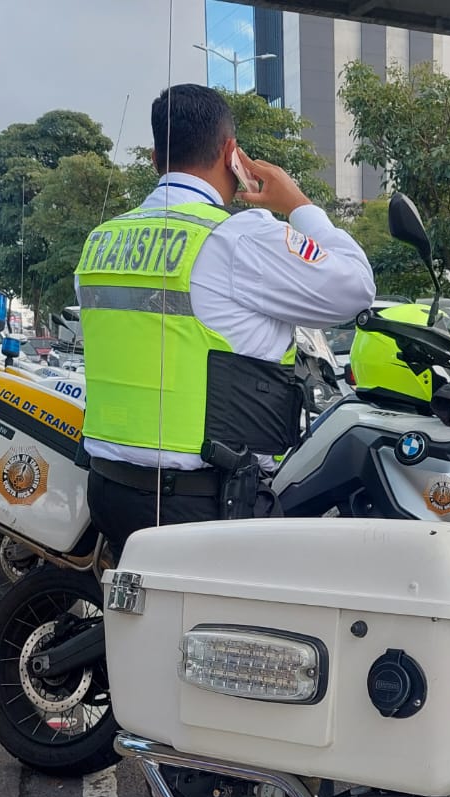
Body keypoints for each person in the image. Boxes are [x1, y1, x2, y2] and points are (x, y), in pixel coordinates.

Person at [76, 83, 375, 552]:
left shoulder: (102, 241)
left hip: (110, 490)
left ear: (156, 158)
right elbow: (355, 291)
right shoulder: (238, 237)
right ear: (231, 153)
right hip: (202, 507)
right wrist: (298, 204)